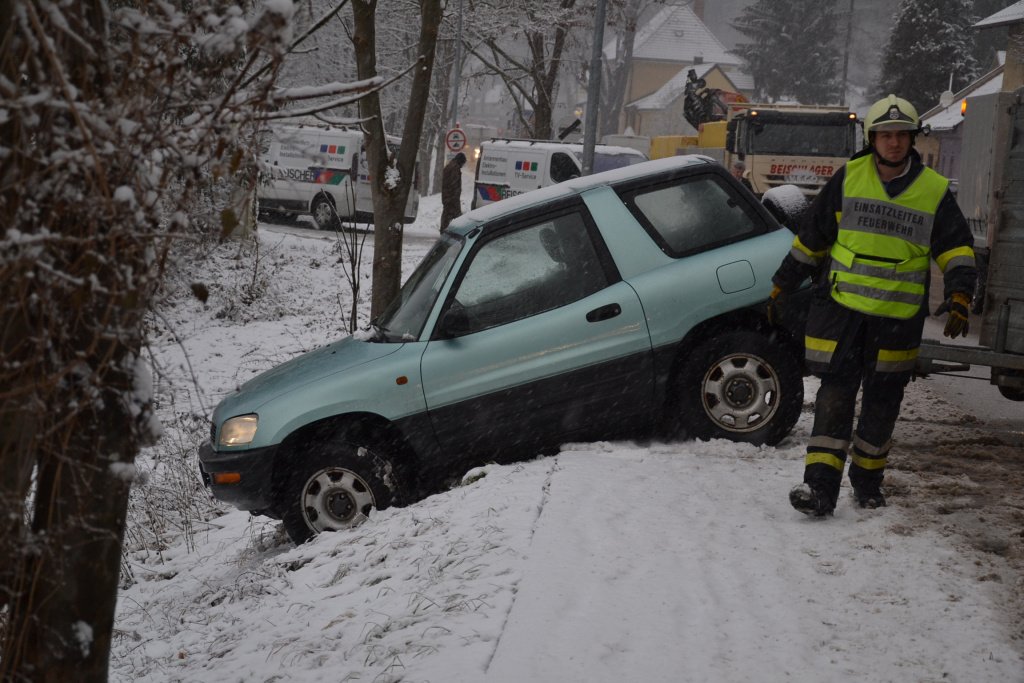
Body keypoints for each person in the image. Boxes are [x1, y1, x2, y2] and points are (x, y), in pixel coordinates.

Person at [769, 94, 977, 516]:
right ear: (872, 138)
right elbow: (813, 237)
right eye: (885, 135)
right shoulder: (849, 179)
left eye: (901, 135)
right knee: (834, 398)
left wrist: (960, 293)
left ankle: (867, 486)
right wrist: (782, 283)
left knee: (882, 405)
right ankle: (819, 489)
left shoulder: (933, 191)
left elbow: (956, 247)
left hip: (897, 321)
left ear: (912, 139)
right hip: (843, 315)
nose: (894, 142)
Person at [440, 151, 466, 232]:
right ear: (460, 161)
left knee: (447, 214)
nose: (462, 166)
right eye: (463, 163)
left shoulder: (450, 165)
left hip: (447, 196)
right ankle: (450, 232)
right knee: (455, 216)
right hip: (451, 198)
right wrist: (454, 198)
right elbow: (454, 184)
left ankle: (444, 230)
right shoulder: (455, 168)